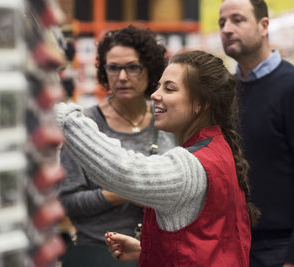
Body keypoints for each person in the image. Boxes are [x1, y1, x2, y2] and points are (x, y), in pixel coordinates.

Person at [56, 50, 260, 266]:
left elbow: (122, 170)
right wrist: (150, 249)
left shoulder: (188, 167)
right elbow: (210, 239)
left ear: (201, 103)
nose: (155, 94)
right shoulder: (218, 148)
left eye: (169, 88)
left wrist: (65, 116)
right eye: (159, 85)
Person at [218, 0, 294, 266]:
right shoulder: (227, 94)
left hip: (280, 249)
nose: (226, 29)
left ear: (264, 26)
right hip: (234, 246)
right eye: (222, 22)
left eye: (237, 20)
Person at [56, 25, 176, 267]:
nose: (122, 77)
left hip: (159, 254)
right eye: (114, 68)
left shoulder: (168, 120)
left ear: (149, 68)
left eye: (132, 67)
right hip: (97, 255)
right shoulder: (83, 126)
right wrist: (127, 191)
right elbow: (69, 202)